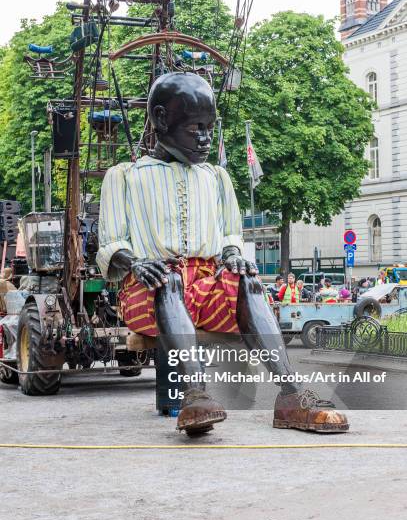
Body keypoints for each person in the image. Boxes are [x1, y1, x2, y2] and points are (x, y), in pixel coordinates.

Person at [97, 72, 348, 435]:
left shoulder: (216, 177)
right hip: (147, 290)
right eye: (195, 128)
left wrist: (233, 256)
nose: (204, 139)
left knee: (247, 278)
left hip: (205, 286)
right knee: (168, 279)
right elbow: (110, 244)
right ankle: (196, 394)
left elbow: (231, 236)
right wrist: (135, 262)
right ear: (163, 119)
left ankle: (291, 397)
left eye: (209, 129)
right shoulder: (123, 176)